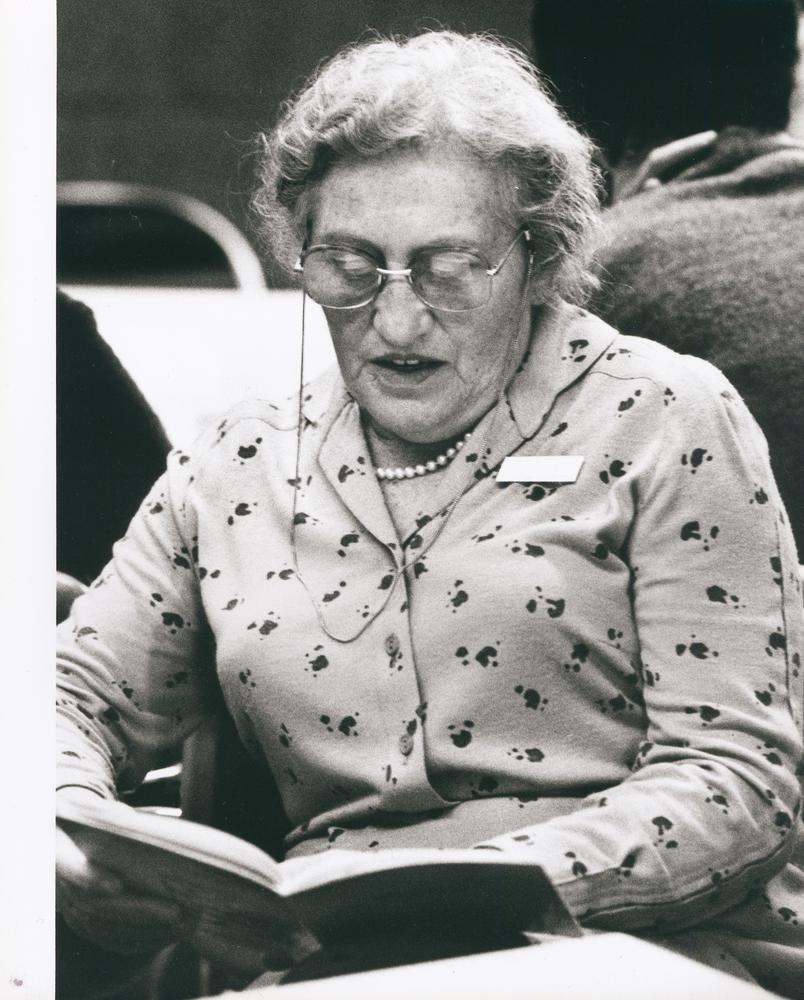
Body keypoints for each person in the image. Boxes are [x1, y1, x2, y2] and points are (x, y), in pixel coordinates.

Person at [56, 30, 804, 998]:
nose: (398, 319)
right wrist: (60, 825)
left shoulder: (663, 416)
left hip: (635, 955)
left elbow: (739, 781)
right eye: (349, 265)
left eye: (449, 267)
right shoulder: (239, 462)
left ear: (538, 256)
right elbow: (69, 694)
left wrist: (480, 892)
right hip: (330, 969)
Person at [530, 0, 804, 556]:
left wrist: (614, 231)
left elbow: (511, 496)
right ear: (790, 67)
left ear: (561, 108)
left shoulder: (590, 279)